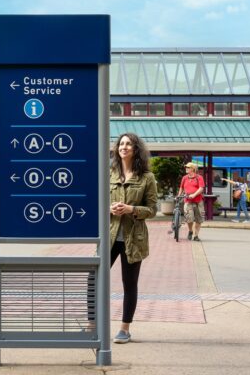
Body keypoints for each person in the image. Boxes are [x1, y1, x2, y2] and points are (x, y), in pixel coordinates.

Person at [109, 133, 158, 344]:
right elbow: (95, 202)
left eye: (128, 144)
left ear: (136, 149)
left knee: (129, 284)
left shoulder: (147, 178)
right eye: (121, 143)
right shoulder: (108, 173)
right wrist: (109, 208)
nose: (124, 147)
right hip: (109, 236)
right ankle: (92, 323)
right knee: (93, 280)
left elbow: (153, 209)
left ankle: (125, 329)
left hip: (133, 238)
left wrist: (131, 209)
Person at [178, 162, 205, 241]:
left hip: (198, 201)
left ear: (193, 169)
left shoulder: (199, 177)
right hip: (188, 201)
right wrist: (179, 195)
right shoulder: (184, 178)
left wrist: (194, 194)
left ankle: (196, 236)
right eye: (186, 167)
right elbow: (181, 188)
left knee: (198, 219)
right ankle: (190, 231)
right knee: (189, 218)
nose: (186, 168)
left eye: (188, 167)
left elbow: (201, 188)